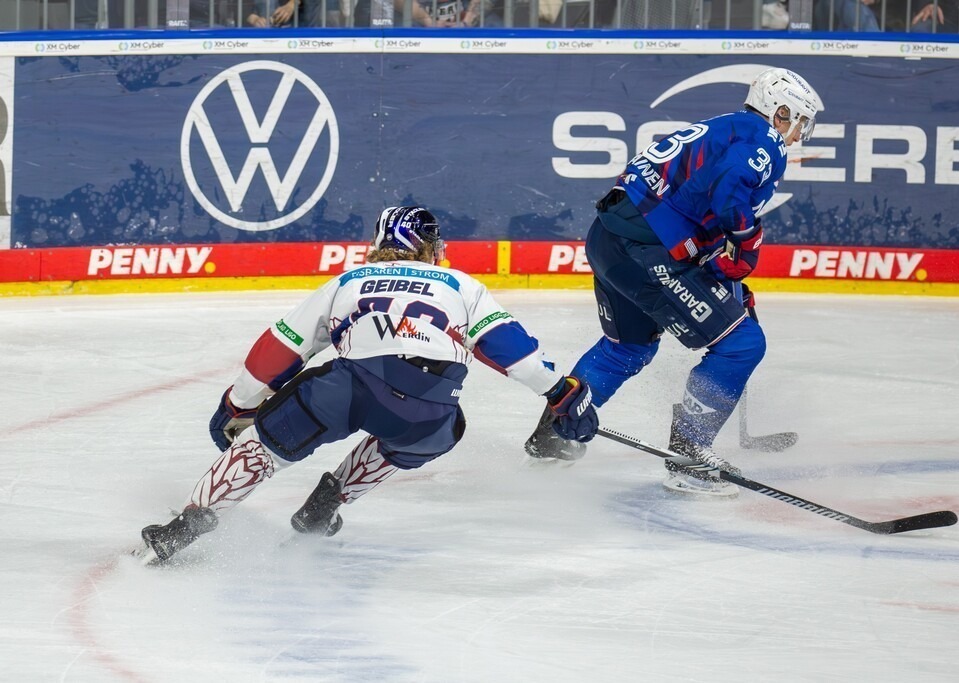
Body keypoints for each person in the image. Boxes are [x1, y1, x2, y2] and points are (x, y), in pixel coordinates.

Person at [138, 206, 599, 564]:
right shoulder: (462, 286)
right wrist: (561, 394)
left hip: (346, 389)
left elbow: (280, 348)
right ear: (429, 247)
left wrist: (238, 404)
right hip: (430, 411)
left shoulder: (350, 280)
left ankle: (187, 524)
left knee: (266, 446)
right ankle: (329, 501)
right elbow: (514, 354)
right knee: (413, 436)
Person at [524, 68, 823, 498]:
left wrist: (719, 270)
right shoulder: (764, 140)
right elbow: (729, 193)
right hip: (649, 249)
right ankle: (689, 456)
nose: (799, 134)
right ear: (780, 113)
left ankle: (554, 437)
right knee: (741, 344)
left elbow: (687, 198)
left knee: (628, 347)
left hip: (610, 239)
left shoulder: (727, 128)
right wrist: (746, 243)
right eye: (800, 121)